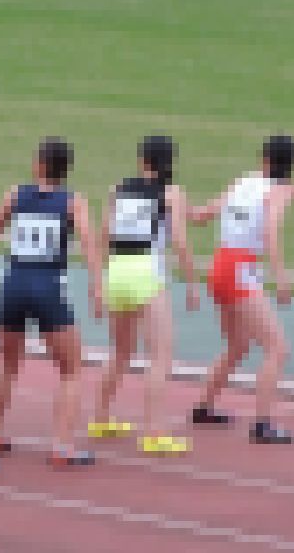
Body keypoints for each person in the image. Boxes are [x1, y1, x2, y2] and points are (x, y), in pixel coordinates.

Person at [0, 137, 101, 468]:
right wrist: (97, 285)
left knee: (7, 365)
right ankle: (61, 446)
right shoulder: (74, 202)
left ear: (42, 165)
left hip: (13, 285)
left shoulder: (14, 195)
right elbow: (89, 244)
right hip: (48, 286)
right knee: (72, 369)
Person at [90, 136, 199, 454]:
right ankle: (153, 432)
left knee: (121, 351)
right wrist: (192, 283)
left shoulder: (117, 189)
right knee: (160, 355)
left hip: (117, 271)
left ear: (142, 161)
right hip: (146, 273)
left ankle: (100, 418)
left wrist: (97, 284)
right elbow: (179, 241)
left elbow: (104, 235)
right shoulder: (171, 192)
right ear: (170, 163)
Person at [190, 135, 294, 444]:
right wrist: (280, 277)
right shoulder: (280, 192)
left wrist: (180, 208)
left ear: (264, 160)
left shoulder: (243, 181)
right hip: (241, 269)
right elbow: (270, 232)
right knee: (278, 348)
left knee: (238, 345)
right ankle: (262, 425)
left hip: (220, 264)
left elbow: (202, 215)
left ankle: (204, 407)